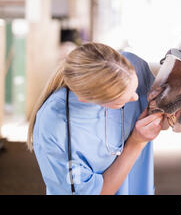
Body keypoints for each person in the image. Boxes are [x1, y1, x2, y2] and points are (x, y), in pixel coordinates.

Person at [27, 42, 163, 195]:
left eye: (135, 87)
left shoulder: (134, 66)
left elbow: (167, 116)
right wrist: (136, 142)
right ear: (87, 99)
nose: (136, 97)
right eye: (120, 102)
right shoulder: (55, 125)